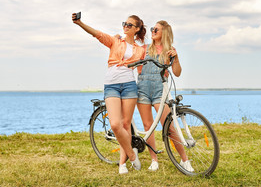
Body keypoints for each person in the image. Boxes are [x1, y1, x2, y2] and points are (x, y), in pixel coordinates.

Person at [72, 13, 146, 174]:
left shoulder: (140, 50)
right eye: (124, 24)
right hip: (111, 85)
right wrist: (80, 23)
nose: (125, 27)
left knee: (126, 125)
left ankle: (122, 164)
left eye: (129, 25)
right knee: (115, 125)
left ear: (137, 29)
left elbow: (144, 67)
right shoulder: (115, 41)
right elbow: (97, 34)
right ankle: (132, 155)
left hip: (129, 86)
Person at [136, 20, 194, 172]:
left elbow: (177, 73)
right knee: (148, 126)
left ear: (164, 33)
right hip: (143, 88)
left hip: (159, 90)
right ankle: (154, 159)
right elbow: (137, 67)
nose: (153, 31)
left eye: (156, 29)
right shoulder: (144, 49)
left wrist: (176, 57)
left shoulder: (170, 50)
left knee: (169, 127)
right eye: (152, 29)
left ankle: (184, 160)